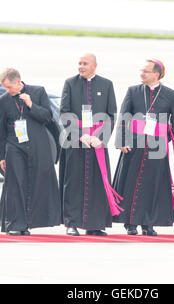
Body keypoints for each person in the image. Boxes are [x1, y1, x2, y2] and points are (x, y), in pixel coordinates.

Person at [112, 59, 174, 236]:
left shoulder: (170, 94)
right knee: (130, 184)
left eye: (145, 71)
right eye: (141, 70)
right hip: (133, 145)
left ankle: (148, 223)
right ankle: (130, 223)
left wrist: (165, 137)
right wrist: (122, 141)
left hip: (156, 148)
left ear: (156, 74)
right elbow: (123, 116)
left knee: (153, 186)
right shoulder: (133, 91)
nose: (141, 74)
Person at [0, 68, 61, 235]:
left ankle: (28, 223)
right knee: (16, 183)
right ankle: (15, 224)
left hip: (37, 145)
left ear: (18, 82)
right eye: (5, 88)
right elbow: (0, 130)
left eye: (9, 87)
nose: (7, 91)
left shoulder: (38, 92)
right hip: (14, 145)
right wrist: (0, 156)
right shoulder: (4, 100)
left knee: (35, 183)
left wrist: (31, 105)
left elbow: (47, 117)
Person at [59, 53, 118, 236]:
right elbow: (64, 112)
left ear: (94, 65)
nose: (81, 67)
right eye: (79, 63)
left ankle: (95, 225)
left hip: (97, 144)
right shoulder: (70, 83)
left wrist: (101, 138)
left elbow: (111, 114)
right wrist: (80, 135)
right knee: (73, 183)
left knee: (97, 184)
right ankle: (72, 223)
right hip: (76, 142)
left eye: (85, 63)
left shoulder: (106, 84)